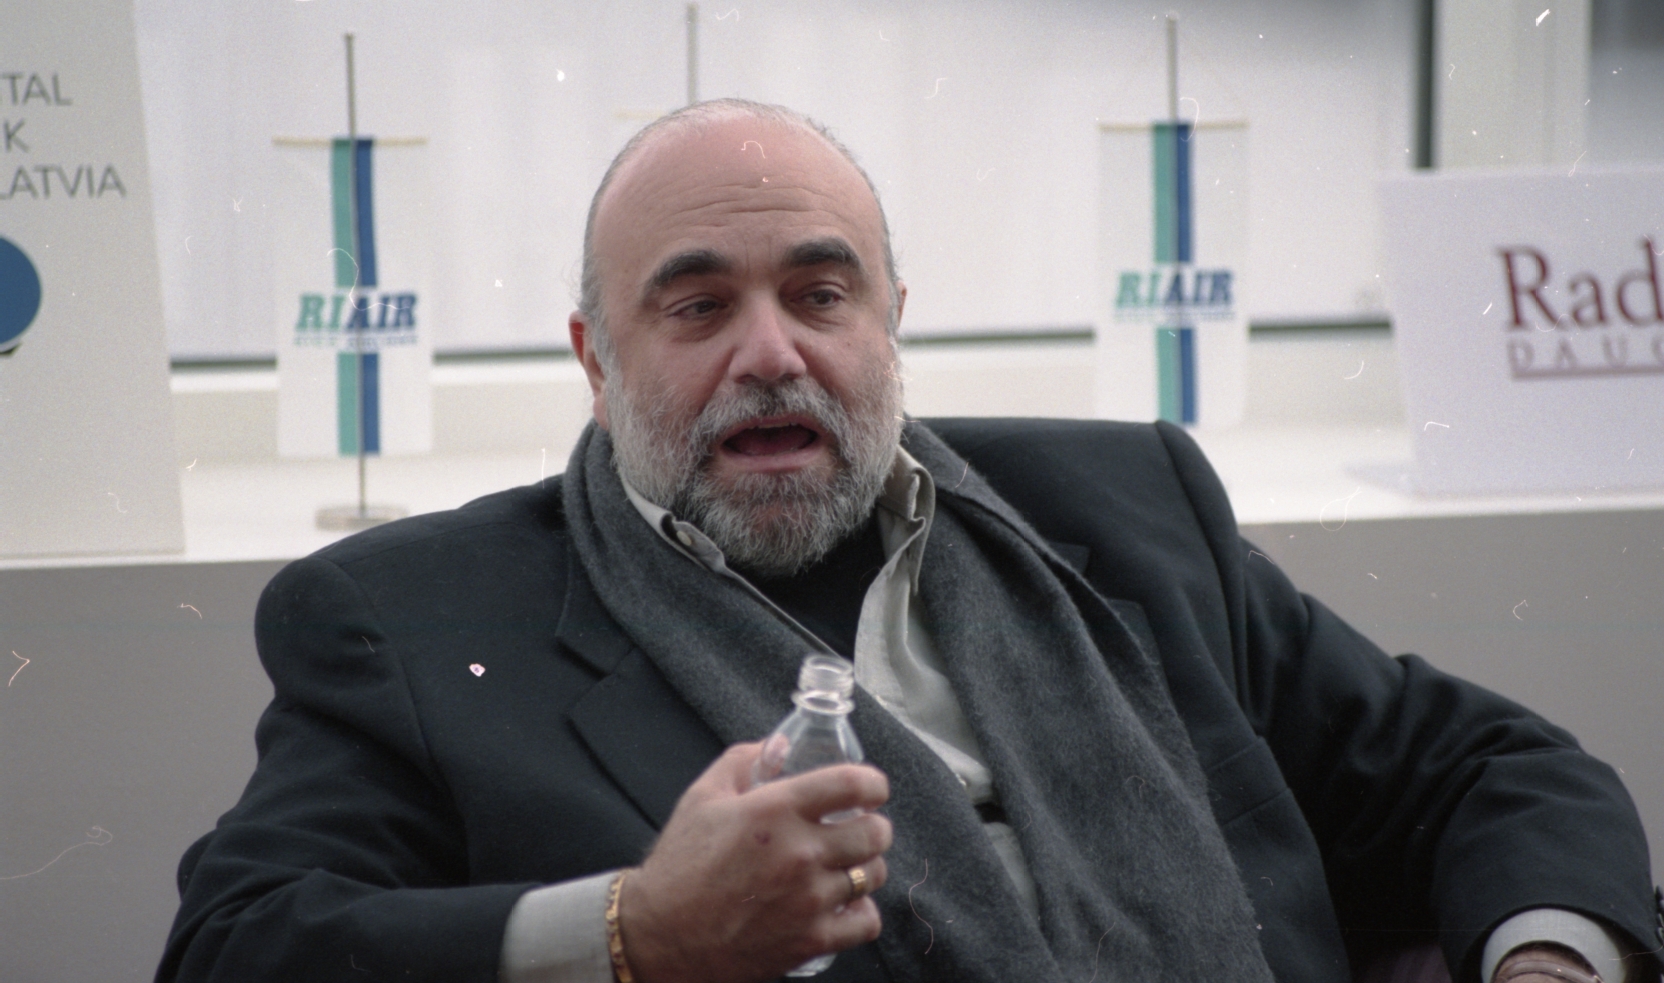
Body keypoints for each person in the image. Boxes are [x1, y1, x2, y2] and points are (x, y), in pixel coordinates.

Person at [156, 100, 1661, 983]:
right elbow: (236, 947)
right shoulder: (414, 621)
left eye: (822, 295)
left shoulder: (1123, 509)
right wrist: (637, 933)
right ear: (594, 360)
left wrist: (1545, 965)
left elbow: (1486, 769)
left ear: (891, 324)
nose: (771, 353)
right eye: (697, 305)